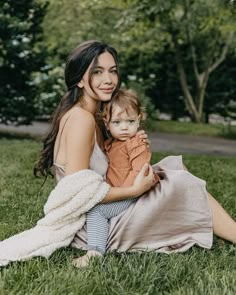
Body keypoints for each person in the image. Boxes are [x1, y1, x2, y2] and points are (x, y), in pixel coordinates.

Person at [0, 40, 235, 267]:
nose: (108, 80)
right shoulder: (81, 119)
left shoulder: (91, 114)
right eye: (97, 72)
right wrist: (135, 190)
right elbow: (81, 193)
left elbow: (112, 160)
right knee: (180, 182)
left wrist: (134, 142)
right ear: (80, 79)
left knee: (173, 166)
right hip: (93, 223)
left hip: (107, 202)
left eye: (112, 71)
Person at [79, 89, 160, 267]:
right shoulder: (111, 144)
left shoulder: (137, 144)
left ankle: (95, 252)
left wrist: (122, 192)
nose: (124, 127)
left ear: (139, 120)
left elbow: (138, 172)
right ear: (106, 124)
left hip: (132, 193)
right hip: (121, 190)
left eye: (130, 121)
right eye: (117, 122)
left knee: (97, 210)